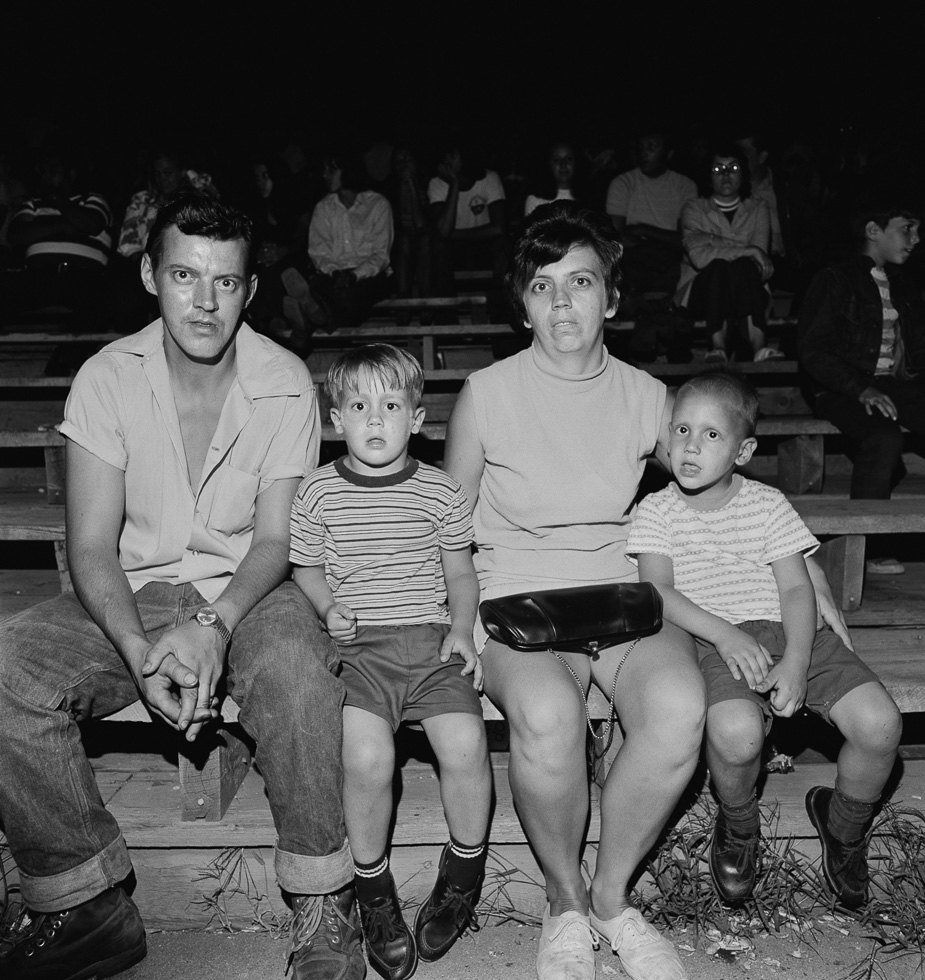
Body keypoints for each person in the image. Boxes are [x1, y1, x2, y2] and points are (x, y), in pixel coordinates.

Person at [0, 194, 362, 980]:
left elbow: (275, 541)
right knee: (7, 667)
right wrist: (136, 648)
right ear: (147, 275)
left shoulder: (284, 380)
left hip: (250, 591)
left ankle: (322, 895)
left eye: (225, 282)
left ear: (251, 290)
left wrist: (215, 622)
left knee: (299, 672)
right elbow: (91, 546)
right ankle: (84, 902)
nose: (204, 301)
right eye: (184, 275)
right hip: (131, 590)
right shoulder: (106, 376)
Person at [445, 200, 703, 980]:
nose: (562, 302)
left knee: (677, 708)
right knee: (550, 715)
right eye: (542, 285)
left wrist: (790, 570)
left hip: (620, 596)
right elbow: (446, 522)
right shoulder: (487, 392)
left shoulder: (645, 394)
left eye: (581, 282)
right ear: (521, 304)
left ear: (611, 299)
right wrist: (449, 617)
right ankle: (561, 902)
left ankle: (611, 900)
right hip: (515, 599)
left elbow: (710, 484)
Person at [626, 372, 902, 910]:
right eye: (681, 429)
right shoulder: (656, 509)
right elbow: (657, 590)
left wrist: (797, 660)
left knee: (880, 724)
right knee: (736, 735)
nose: (689, 445)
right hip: (712, 639)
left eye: (711, 435)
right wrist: (725, 635)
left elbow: (797, 587)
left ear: (744, 450)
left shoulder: (768, 504)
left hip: (793, 633)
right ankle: (738, 823)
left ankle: (844, 825)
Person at [290, 344, 491, 980]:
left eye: (391, 405)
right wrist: (326, 608)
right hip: (360, 650)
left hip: (431, 643)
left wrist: (462, 629)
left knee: (465, 746)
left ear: (418, 417)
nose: (375, 420)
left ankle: (462, 871)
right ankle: (373, 890)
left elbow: (461, 570)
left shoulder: (442, 491)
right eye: (358, 406)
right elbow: (306, 566)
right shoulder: (318, 491)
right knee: (367, 759)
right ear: (335, 418)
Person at [799, 199, 925, 575]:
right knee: (884, 438)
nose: (916, 239)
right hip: (840, 386)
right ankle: (867, 547)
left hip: (892, 383)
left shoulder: (904, 284)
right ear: (874, 231)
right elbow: (813, 351)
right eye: (907, 228)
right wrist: (860, 389)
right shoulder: (835, 278)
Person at [676, 143, 780, 363]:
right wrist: (748, 249)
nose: (725, 175)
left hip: (748, 285)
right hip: (701, 291)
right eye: (717, 169)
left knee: (743, 266)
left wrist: (711, 240)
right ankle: (718, 348)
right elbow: (700, 258)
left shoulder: (758, 208)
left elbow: (759, 264)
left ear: (743, 174)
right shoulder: (694, 208)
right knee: (719, 268)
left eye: (733, 169)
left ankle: (760, 348)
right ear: (708, 175)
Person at [306, 150, 394, 331]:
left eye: (331, 170)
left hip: (369, 275)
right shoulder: (324, 208)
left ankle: (313, 322)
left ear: (348, 171)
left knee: (353, 294)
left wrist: (354, 276)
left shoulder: (377, 204)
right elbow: (318, 252)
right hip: (335, 275)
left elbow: (381, 255)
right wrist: (335, 273)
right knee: (320, 285)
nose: (325, 175)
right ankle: (314, 314)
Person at [524, 142, 584, 216]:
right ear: (549, 164)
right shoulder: (535, 200)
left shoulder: (588, 198)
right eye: (557, 160)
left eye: (569, 159)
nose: (563, 164)